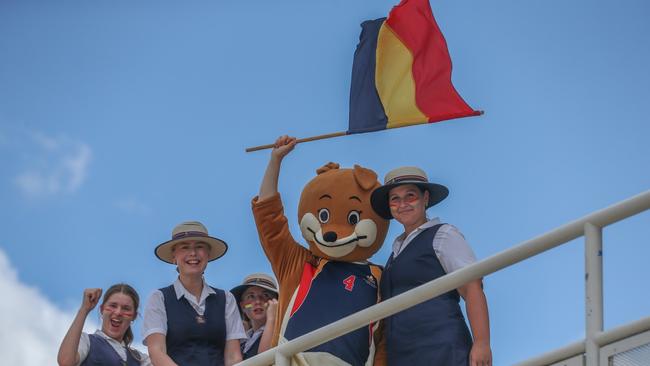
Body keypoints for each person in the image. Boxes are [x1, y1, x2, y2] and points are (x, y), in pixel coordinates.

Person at [370, 166, 492, 366]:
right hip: (403, 357)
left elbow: (472, 287)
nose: (403, 204)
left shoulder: (442, 234)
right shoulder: (394, 254)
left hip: (442, 349)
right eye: (395, 199)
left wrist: (482, 343)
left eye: (410, 196)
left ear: (425, 198)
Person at [143, 221, 246, 366]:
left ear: (208, 255)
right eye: (185, 247)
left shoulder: (227, 299)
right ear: (174, 256)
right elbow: (157, 352)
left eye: (199, 247)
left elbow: (233, 357)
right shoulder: (159, 298)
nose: (193, 253)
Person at [57, 283, 151, 366]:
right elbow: (65, 362)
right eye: (113, 305)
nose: (118, 312)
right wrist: (84, 309)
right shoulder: (87, 341)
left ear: (134, 316)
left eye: (126, 308)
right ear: (102, 309)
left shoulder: (140, 359)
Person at [230, 273, 279, 360]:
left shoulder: (282, 331)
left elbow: (265, 361)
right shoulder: (241, 341)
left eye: (265, 295)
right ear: (243, 306)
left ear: (276, 302)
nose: (257, 301)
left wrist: (272, 319)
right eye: (251, 296)